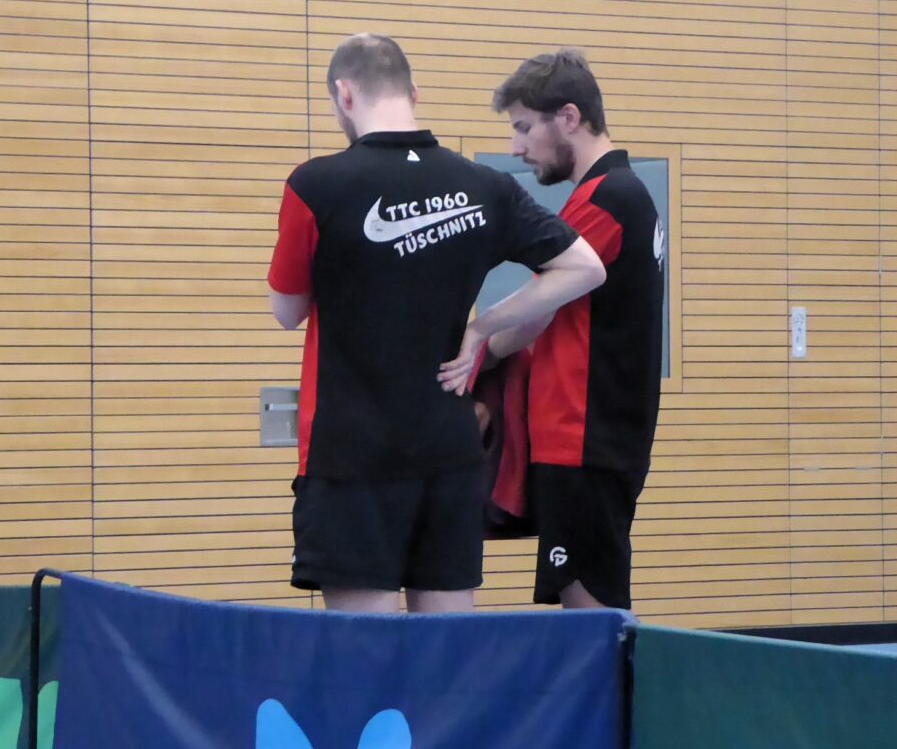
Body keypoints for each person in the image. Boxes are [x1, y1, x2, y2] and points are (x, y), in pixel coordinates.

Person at [267, 34, 605, 614]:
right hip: (448, 453)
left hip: (352, 454)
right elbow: (584, 267)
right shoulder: (484, 186)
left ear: (344, 95)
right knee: (445, 649)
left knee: (365, 653)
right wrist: (483, 328)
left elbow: (287, 310)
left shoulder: (314, 185)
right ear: (414, 92)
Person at [487, 49, 665, 611]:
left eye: (523, 128)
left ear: (568, 117)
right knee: (587, 608)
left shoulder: (609, 198)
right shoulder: (613, 195)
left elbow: (536, 309)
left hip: (586, 440)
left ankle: (612, 678)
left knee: (591, 615)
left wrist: (474, 343)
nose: (516, 148)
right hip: (591, 441)